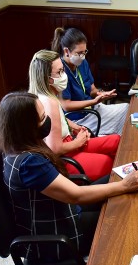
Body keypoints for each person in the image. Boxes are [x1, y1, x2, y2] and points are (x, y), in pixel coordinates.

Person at [0, 92, 138, 261]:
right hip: (57, 235)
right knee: (121, 216)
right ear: (26, 126)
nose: (47, 121)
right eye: (42, 118)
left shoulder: (11, 147)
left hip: (57, 211)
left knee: (115, 179)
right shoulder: (30, 163)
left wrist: (122, 184)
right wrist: (124, 186)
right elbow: (75, 195)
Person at [29, 49, 120, 182]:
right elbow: (55, 149)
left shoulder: (48, 95)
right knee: (108, 162)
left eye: (63, 70)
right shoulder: (48, 102)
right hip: (64, 159)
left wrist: (75, 127)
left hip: (70, 142)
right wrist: (79, 142)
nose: (64, 75)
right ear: (46, 78)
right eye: (59, 72)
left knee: (116, 140)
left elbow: (59, 119)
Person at [52, 27, 129, 136]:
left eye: (85, 52)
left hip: (91, 108)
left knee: (126, 108)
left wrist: (101, 94)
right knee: (122, 120)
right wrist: (93, 101)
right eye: (79, 53)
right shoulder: (60, 69)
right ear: (66, 51)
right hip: (78, 118)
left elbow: (92, 89)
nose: (83, 56)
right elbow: (66, 105)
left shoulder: (82, 62)